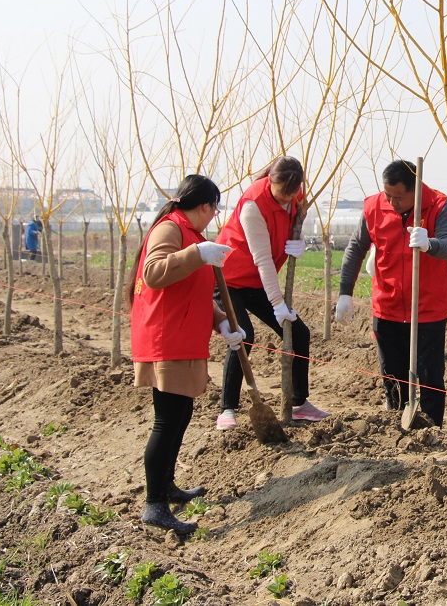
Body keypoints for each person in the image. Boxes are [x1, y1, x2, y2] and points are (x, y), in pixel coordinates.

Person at [128, 174, 245, 534]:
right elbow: (153, 273)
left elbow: (194, 291)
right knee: (167, 421)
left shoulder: (190, 233)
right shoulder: (171, 229)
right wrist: (197, 254)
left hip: (183, 337)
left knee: (180, 415)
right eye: (215, 209)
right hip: (167, 339)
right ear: (206, 206)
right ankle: (154, 505)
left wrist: (222, 323)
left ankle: (166, 486)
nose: (214, 216)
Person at [335, 159, 447, 427]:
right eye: (388, 195)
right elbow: (356, 248)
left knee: (430, 377)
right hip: (387, 306)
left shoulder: (439, 206)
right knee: (392, 375)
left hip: (427, 309)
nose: (392, 203)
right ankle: (396, 425)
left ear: (416, 190)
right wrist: (345, 291)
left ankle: (432, 430)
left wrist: (429, 244)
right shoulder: (373, 207)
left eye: (399, 197)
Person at [214, 156, 328, 430]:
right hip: (229, 278)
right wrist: (277, 303)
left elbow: (295, 221)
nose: (286, 199)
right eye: (281, 194)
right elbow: (262, 259)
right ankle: (227, 409)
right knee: (243, 335)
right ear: (270, 181)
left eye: (291, 194)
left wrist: (299, 240)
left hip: (256, 282)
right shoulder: (252, 205)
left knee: (299, 333)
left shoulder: (296, 196)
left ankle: (299, 404)